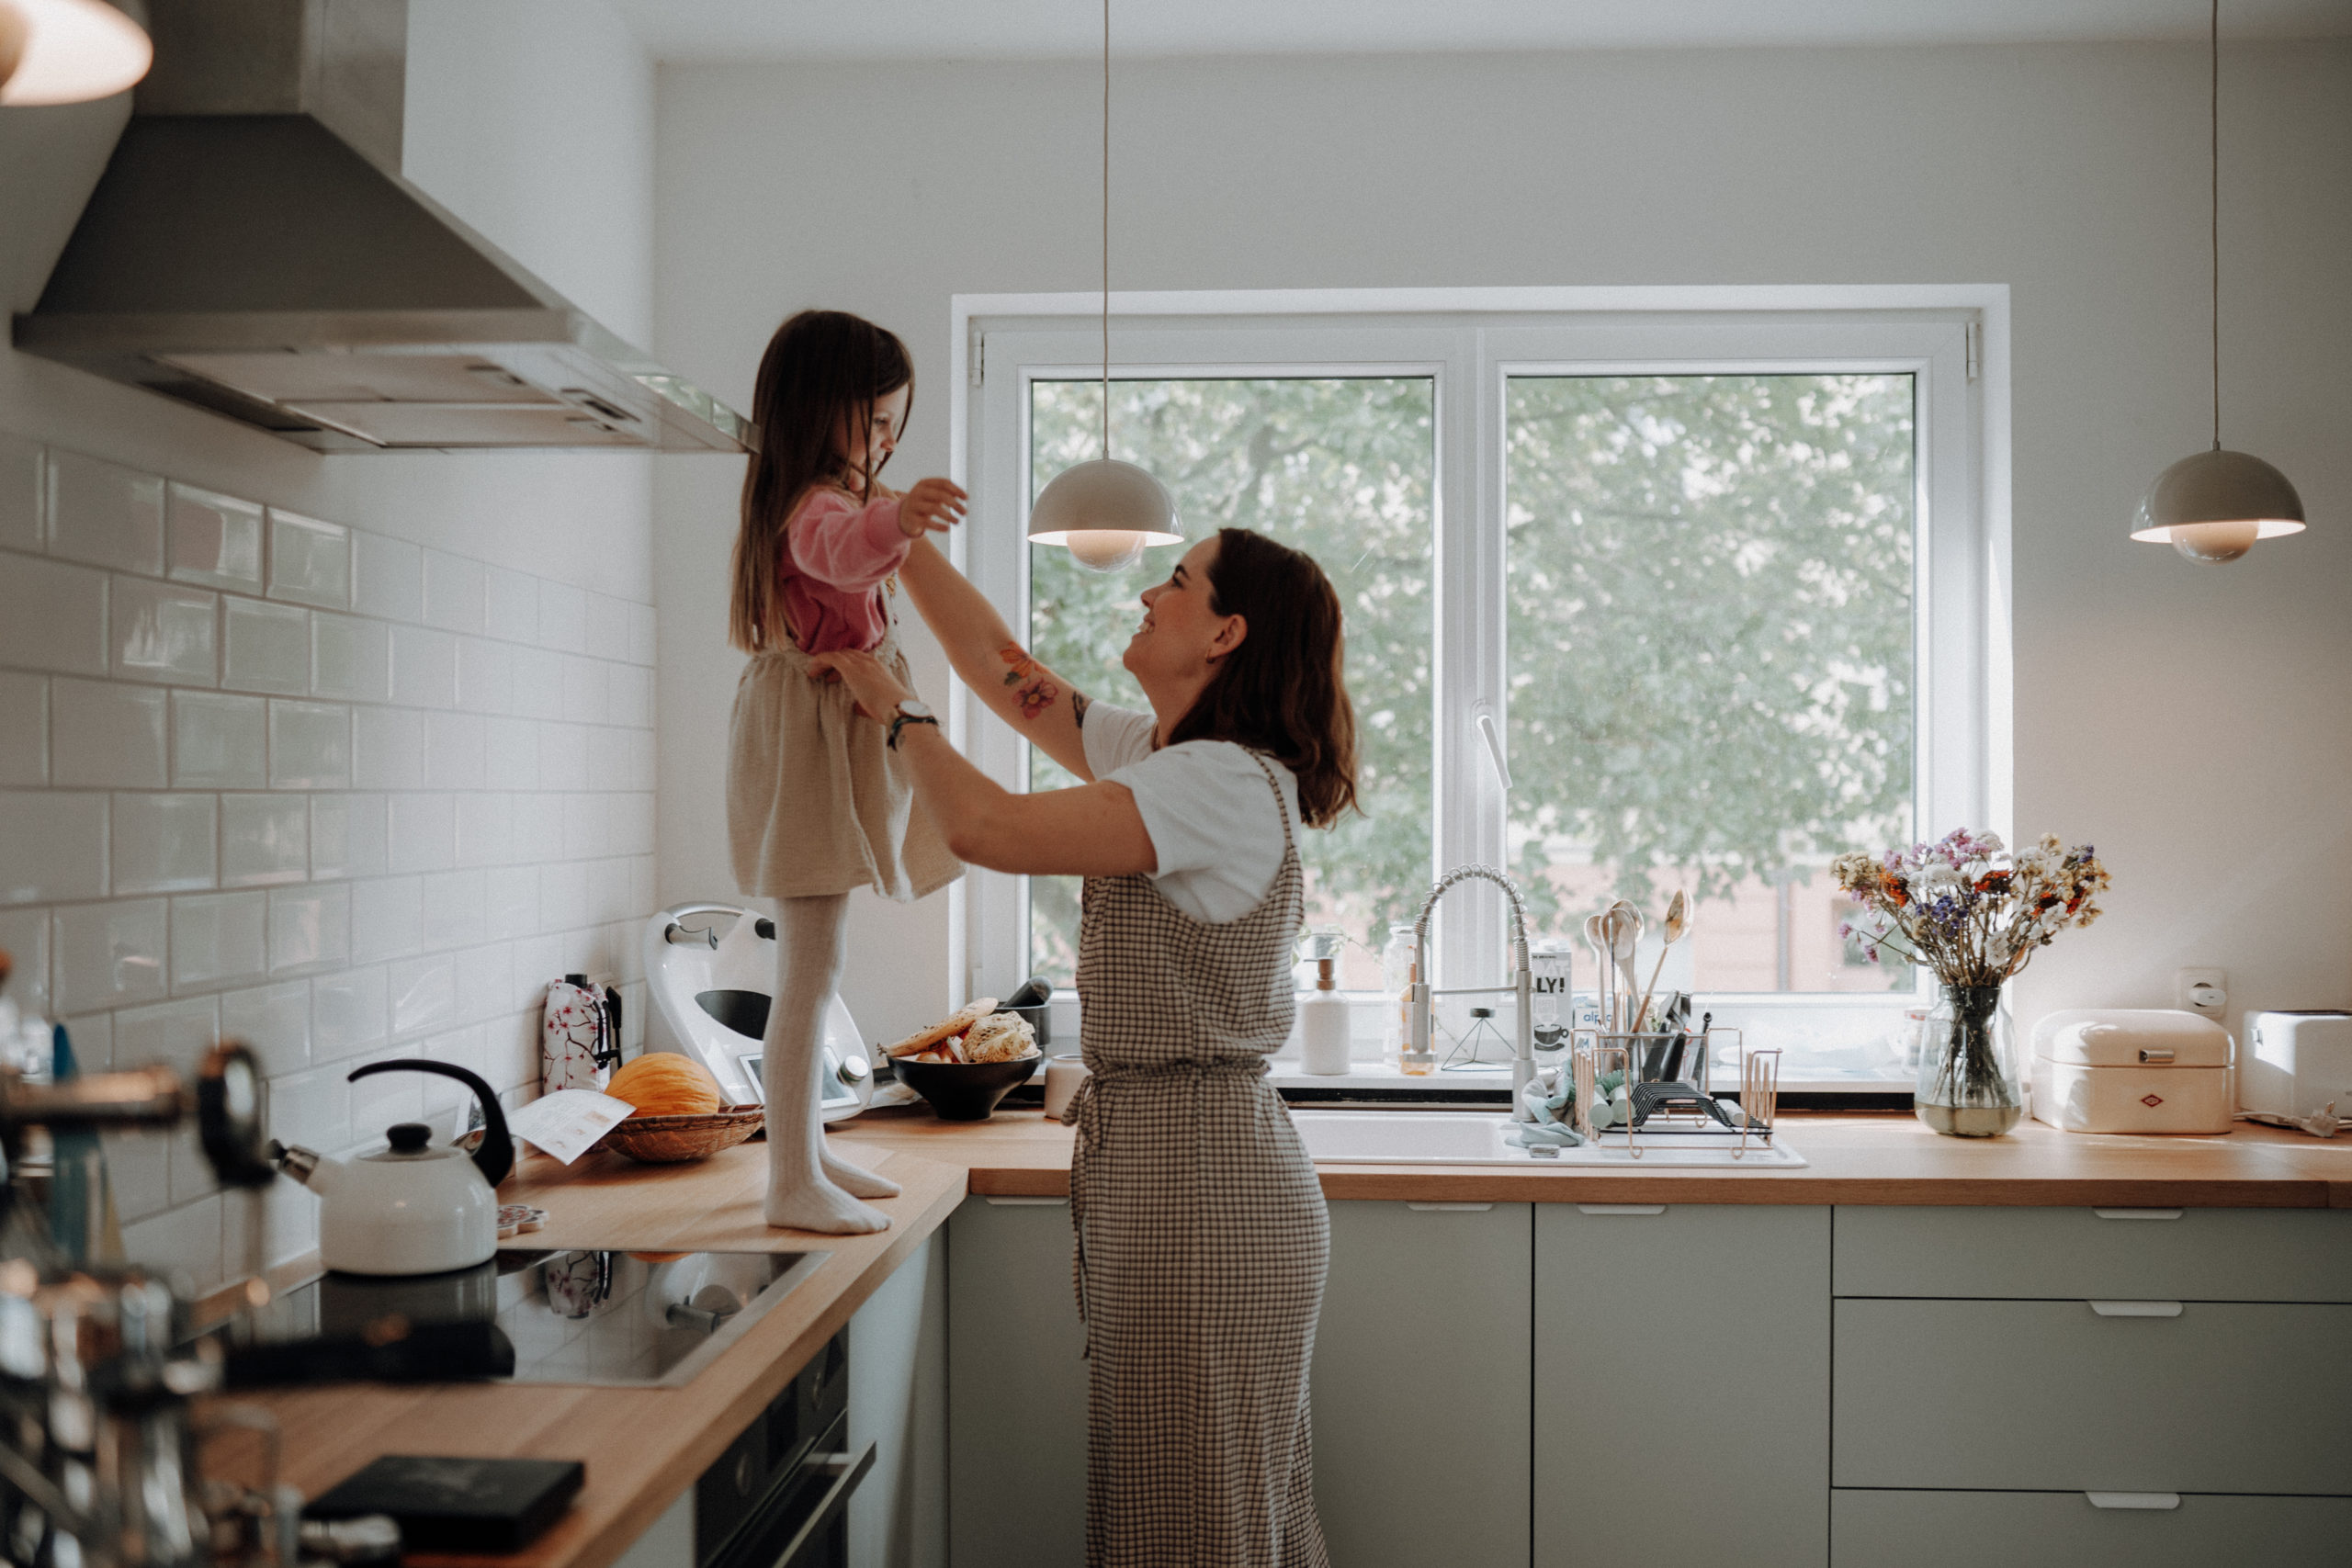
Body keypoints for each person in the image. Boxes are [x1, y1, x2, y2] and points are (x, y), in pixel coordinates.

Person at [815, 525, 1355, 1567]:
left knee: (1192, 1524)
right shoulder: (1169, 758)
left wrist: (901, 714)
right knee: (1203, 1502)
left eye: (1178, 581)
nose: (1149, 592)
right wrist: (889, 537)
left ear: (1225, 633)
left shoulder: (1219, 784)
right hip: (1181, 1166)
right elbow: (1004, 667)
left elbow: (992, 832)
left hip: (1201, 1181)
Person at [725, 310, 967, 1234]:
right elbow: (839, 548)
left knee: (817, 965)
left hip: (827, 731)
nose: (884, 442)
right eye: (870, 425)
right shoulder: (815, 508)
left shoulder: (819, 495)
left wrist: (889, 515)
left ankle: (805, 1152)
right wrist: (896, 519)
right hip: (809, 740)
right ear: (814, 411)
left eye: (892, 426)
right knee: (809, 969)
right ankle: (790, 1177)